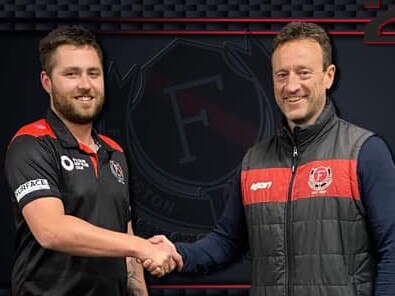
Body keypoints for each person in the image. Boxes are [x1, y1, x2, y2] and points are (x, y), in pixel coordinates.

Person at [146, 22, 395, 296]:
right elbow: (226, 242)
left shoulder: (366, 153)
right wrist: (177, 252)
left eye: (304, 73)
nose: (291, 86)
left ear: (328, 76)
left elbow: (392, 250)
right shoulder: (254, 161)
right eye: (281, 74)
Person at [4, 25, 181, 296]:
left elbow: (126, 244)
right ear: (47, 82)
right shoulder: (30, 143)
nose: (85, 84)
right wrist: (143, 247)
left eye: (93, 73)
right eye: (71, 74)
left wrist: (139, 261)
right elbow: (51, 230)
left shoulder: (115, 152)